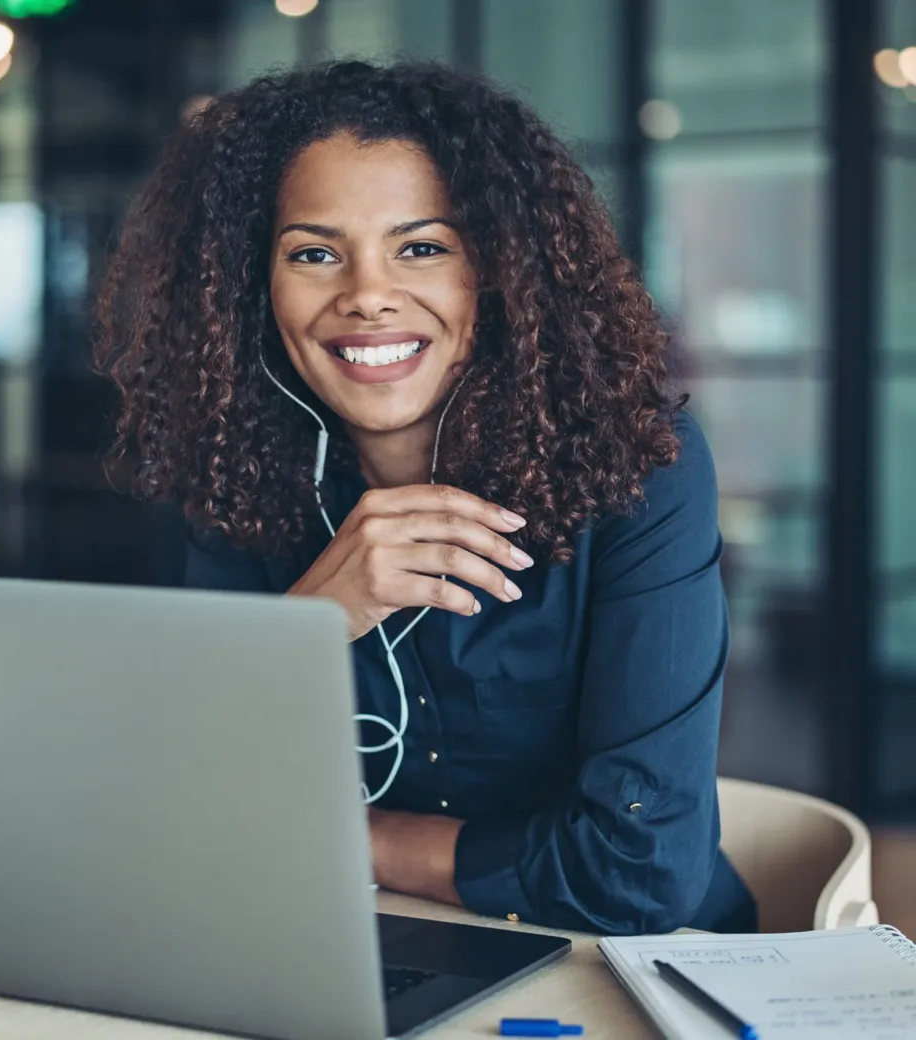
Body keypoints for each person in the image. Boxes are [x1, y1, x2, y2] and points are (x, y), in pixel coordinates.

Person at [93, 60, 755, 935]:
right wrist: (312, 625)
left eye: (422, 247)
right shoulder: (238, 473)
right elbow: (182, 808)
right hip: (338, 946)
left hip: (626, 965)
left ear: (498, 270)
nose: (367, 295)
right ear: (255, 286)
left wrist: (347, 839)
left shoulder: (641, 469)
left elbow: (640, 871)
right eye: (315, 253)